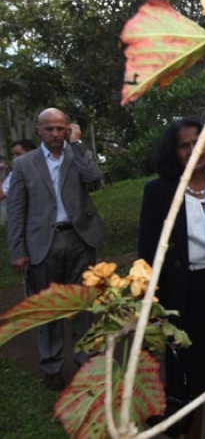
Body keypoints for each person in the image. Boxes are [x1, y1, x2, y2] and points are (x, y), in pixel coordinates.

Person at [138, 117, 205, 439]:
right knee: (190, 383)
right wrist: (153, 305)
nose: (193, 150)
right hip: (183, 296)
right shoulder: (158, 192)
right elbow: (147, 253)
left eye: (198, 142)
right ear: (173, 152)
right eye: (184, 145)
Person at [7, 108, 107, 391]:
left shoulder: (76, 155)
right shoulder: (24, 164)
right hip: (43, 243)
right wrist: (17, 250)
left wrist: (77, 143)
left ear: (67, 129)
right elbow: (16, 210)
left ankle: (86, 360)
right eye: (49, 129)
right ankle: (51, 366)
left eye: (60, 128)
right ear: (39, 130)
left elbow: (95, 178)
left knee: (83, 304)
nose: (55, 134)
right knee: (49, 308)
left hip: (79, 239)